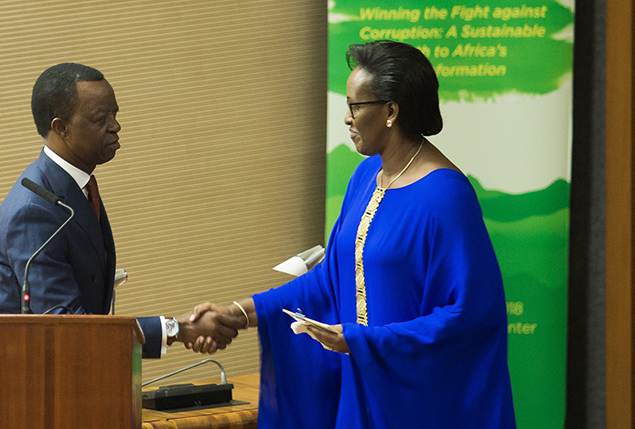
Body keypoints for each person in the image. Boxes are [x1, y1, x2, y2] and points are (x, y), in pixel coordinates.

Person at [189, 40, 516, 428]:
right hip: (360, 392)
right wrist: (238, 313)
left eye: (355, 106)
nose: (346, 118)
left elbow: (474, 316)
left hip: (417, 404)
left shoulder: (445, 196)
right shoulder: (365, 177)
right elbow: (328, 283)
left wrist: (365, 342)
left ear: (391, 111)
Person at [0, 62, 237, 358]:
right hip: (36, 386)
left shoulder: (73, 185)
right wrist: (176, 329)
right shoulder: (34, 211)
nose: (115, 126)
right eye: (100, 119)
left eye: (115, 114)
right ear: (61, 128)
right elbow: (66, 327)